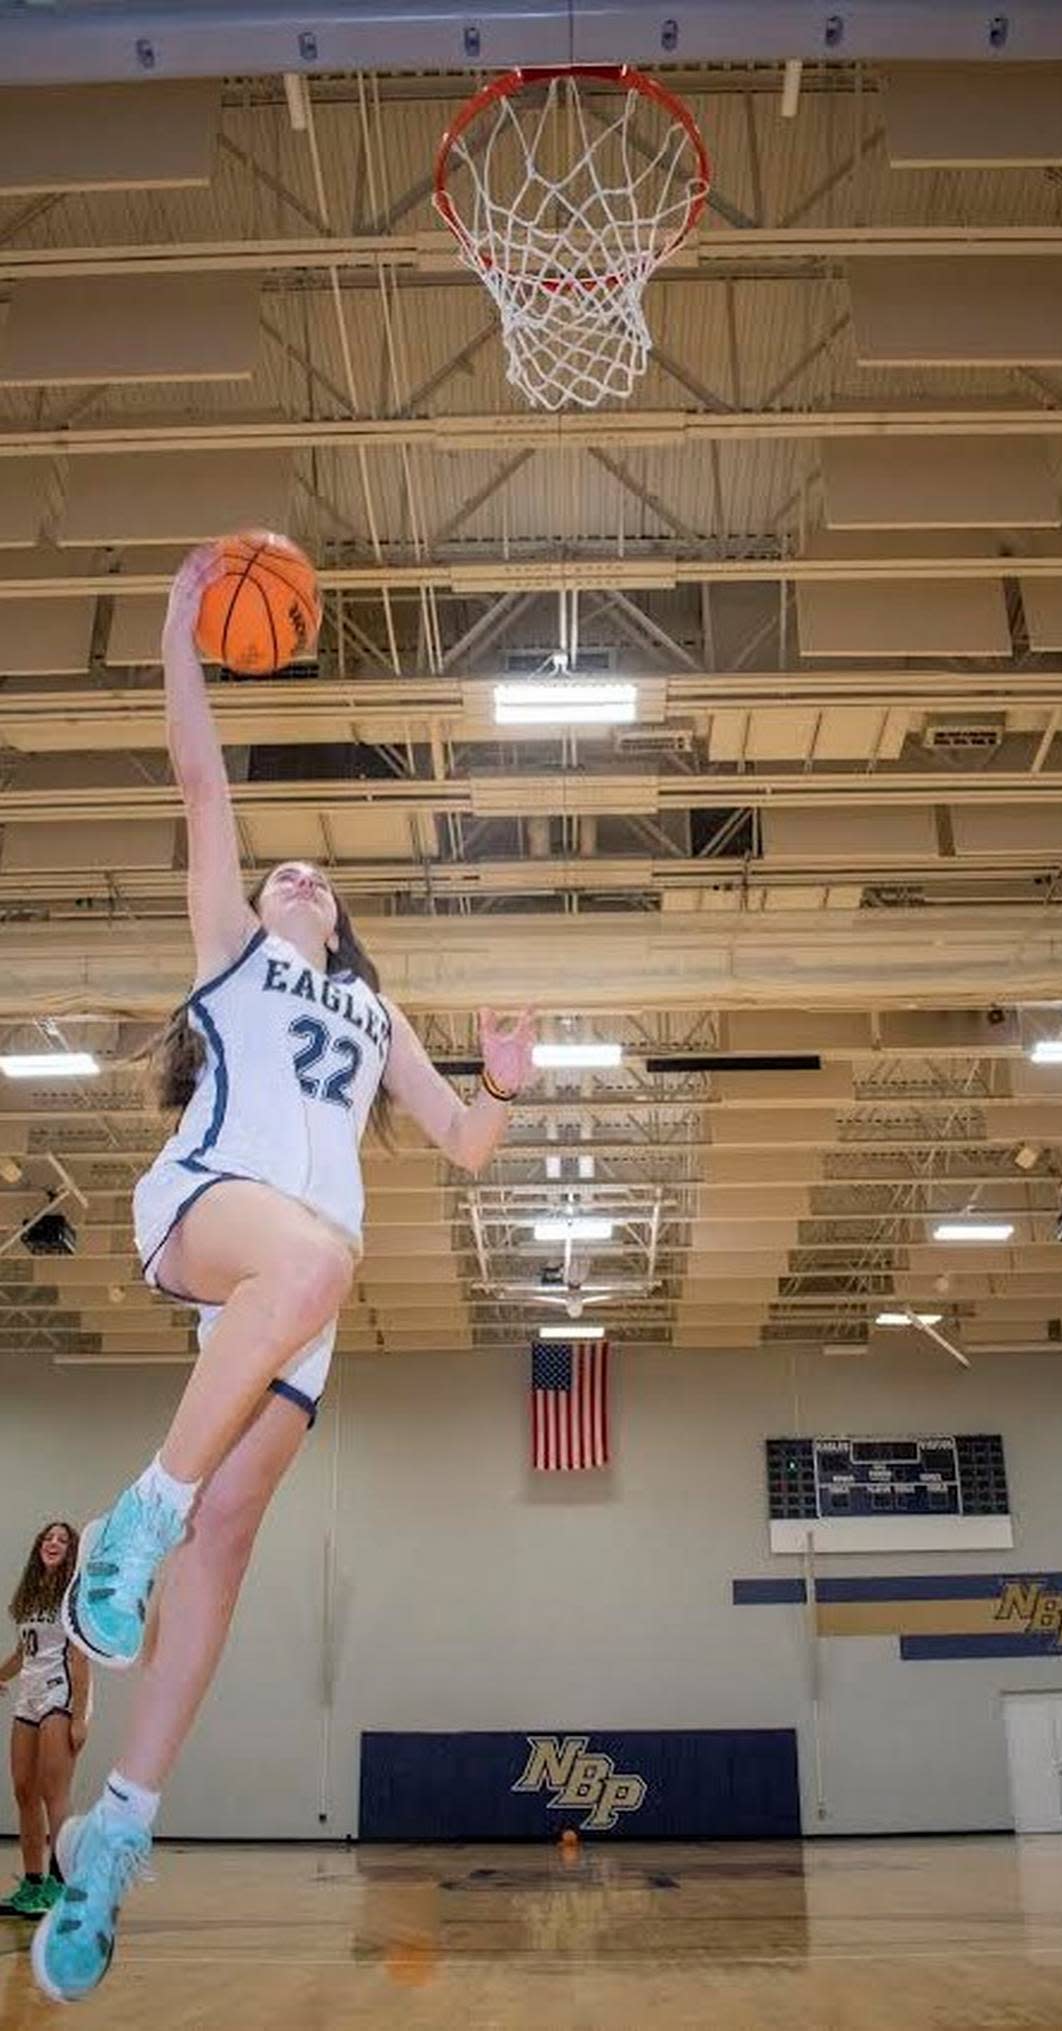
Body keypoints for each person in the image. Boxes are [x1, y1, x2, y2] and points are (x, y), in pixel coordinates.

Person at [33, 547, 534, 2003]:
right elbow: (200, 785)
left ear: (343, 917)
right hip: (211, 1214)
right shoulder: (232, 956)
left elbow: (466, 1145)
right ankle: (135, 1517)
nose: (298, 869)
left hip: (295, 1312)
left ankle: (115, 1839)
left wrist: (509, 1084)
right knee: (316, 1255)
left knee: (233, 1556)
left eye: (319, 872)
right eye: (283, 865)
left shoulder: (376, 1009)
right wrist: (178, 632)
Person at [0, 1522, 90, 1919]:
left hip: (61, 1694)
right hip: (30, 1695)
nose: (53, 1543)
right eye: (48, 1538)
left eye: (62, 1539)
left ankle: (62, 1883)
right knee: (23, 1790)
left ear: (70, 1551)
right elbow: (24, 1653)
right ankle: (33, 1884)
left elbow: (79, 1657)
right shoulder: (32, 1595)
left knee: (55, 1791)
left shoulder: (74, 1596)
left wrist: (79, 1716)